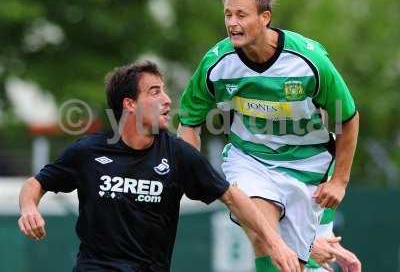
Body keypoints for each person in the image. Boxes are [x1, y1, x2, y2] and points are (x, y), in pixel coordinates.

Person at [18, 60, 300, 272]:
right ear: (129, 103)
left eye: (164, 91)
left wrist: (276, 244)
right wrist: (29, 207)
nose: (166, 100)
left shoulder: (178, 154)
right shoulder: (89, 151)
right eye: (154, 92)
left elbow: (231, 196)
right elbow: (36, 183)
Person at [178, 0, 359, 271]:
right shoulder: (216, 63)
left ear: (265, 18)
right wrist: (190, 169)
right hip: (250, 159)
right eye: (228, 14)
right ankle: (305, 248)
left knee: (299, 264)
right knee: (266, 241)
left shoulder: (308, 60)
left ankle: (310, 252)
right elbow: (188, 121)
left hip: (307, 167)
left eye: (241, 14)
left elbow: (349, 118)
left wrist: (339, 179)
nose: (232, 22)